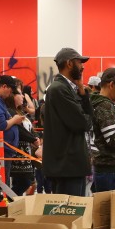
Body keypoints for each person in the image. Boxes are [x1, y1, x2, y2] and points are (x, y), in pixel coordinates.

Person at [42, 47, 94, 197]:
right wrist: (87, 118)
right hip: (66, 166)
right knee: (69, 215)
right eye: (79, 62)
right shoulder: (59, 89)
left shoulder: (68, 89)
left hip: (70, 165)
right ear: (69, 64)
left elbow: (88, 120)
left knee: (73, 215)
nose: (83, 66)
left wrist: (83, 93)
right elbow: (83, 124)